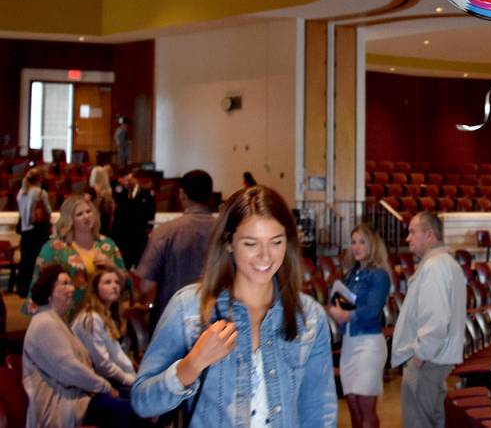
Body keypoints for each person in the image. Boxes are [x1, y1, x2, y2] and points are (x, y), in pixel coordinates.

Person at [131, 185, 336, 425]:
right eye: (251, 244)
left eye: (276, 242)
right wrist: (191, 364)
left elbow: (319, 412)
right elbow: (142, 401)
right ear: (229, 243)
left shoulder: (308, 316)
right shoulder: (189, 308)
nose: (265, 256)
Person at [23, 263, 140, 427]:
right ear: (49, 293)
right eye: (64, 284)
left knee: (139, 403)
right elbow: (70, 368)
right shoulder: (45, 323)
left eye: (70, 283)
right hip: (61, 404)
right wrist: (104, 387)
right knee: (128, 409)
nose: (71, 289)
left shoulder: (57, 321)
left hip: (78, 396)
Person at [392, 212, 466, 428]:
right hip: (435, 359)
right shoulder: (445, 263)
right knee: (433, 419)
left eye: (412, 232)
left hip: (428, 361)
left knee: (419, 422)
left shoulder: (435, 266)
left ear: (430, 235)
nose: (408, 238)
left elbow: (436, 319)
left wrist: (420, 356)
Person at [135, 169, 218, 329]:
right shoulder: (226, 232)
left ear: (182, 195)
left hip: (173, 320)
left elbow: (146, 285)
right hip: (217, 322)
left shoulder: (166, 232)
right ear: (210, 196)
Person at [326, 224, 391, 428]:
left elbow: (372, 311)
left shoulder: (379, 275)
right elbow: (344, 305)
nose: (356, 247)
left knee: (365, 405)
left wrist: (346, 314)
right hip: (349, 344)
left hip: (369, 344)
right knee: (352, 403)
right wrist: (335, 311)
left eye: (362, 242)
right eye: (353, 242)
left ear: (372, 244)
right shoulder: (350, 275)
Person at [27, 195, 126, 316]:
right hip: (67, 315)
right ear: (70, 220)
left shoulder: (107, 245)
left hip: (102, 316)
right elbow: (40, 285)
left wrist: (112, 266)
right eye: (79, 214)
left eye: (89, 211)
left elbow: (124, 284)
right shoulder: (54, 248)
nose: (86, 216)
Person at [72, 265, 137, 392]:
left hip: (116, 379)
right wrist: (131, 381)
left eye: (117, 282)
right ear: (95, 288)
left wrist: (135, 377)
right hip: (98, 385)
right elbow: (103, 365)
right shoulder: (90, 318)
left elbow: (118, 356)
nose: (114, 286)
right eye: (107, 282)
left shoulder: (107, 316)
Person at [110, 168, 156, 270]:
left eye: (132, 178)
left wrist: (149, 226)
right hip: (122, 232)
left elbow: (151, 210)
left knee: (139, 262)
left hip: (139, 232)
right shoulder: (121, 191)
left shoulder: (145, 193)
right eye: (128, 178)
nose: (129, 180)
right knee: (123, 263)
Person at [16, 168, 51, 297]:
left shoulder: (21, 192)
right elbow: (47, 210)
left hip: (25, 231)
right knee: (38, 260)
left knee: (25, 260)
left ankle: (22, 288)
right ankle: (35, 287)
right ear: (40, 179)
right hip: (37, 231)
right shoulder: (40, 192)